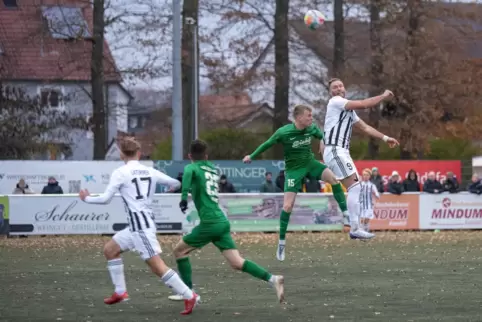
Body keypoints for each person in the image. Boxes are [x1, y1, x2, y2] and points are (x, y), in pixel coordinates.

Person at [79, 137, 199, 315]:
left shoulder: (120, 172)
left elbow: (105, 199)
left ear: (121, 154)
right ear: (139, 153)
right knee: (110, 250)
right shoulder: (149, 171)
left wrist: (86, 198)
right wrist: (169, 190)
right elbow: (175, 183)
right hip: (139, 225)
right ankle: (120, 292)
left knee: (157, 267)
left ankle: (190, 295)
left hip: (140, 227)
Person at [174, 140, 285, 303]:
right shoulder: (211, 169)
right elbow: (200, 184)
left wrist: (183, 198)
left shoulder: (191, 167)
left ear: (190, 156)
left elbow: (187, 180)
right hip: (221, 221)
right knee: (237, 262)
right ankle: (273, 279)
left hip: (210, 222)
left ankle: (187, 292)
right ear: (206, 155)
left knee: (179, 251)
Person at [243, 104, 354, 262]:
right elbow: (267, 144)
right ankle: (281, 243)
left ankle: (346, 215)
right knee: (287, 206)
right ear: (299, 117)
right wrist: (251, 156)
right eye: (308, 115)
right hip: (294, 170)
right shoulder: (284, 132)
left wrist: (322, 147)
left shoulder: (311, 128)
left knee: (334, 180)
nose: (311, 118)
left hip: (310, 163)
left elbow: (323, 137)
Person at [320, 78, 399, 239]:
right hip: (336, 151)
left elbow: (365, 127)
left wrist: (385, 138)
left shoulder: (347, 110)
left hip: (340, 152)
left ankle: (354, 226)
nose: (339, 88)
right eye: (335, 87)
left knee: (356, 187)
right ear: (331, 92)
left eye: (341, 85)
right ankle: (354, 227)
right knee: (355, 188)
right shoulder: (336, 102)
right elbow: (364, 103)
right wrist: (383, 95)